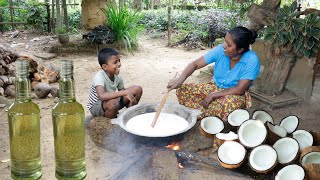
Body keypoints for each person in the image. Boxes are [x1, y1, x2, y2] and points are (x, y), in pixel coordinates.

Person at [167, 26, 260, 120]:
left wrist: (213, 95)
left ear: (240, 50)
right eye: (225, 41)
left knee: (227, 104)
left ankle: (202, 112)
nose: (224, 46)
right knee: (182, 89)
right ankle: (209, 113)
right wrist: (180, 79)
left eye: (229, 45)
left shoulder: (251, 60)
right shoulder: (220, 50)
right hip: (214, 87)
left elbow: (239, 89)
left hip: (233, 94)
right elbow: (195, 64)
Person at [87, 48, 143, 118]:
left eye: (119, 61)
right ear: (105, 67)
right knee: (114, 103)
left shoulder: (117, 76)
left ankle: (130, 113)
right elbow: (102, 96)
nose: (119, 64)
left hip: (111, 101)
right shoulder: (99, 77)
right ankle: (108, 121)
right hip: (97, 106)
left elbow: (122, 91)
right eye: (115, 62)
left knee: (137, 89)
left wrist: (129, 98)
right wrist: (124, 93)